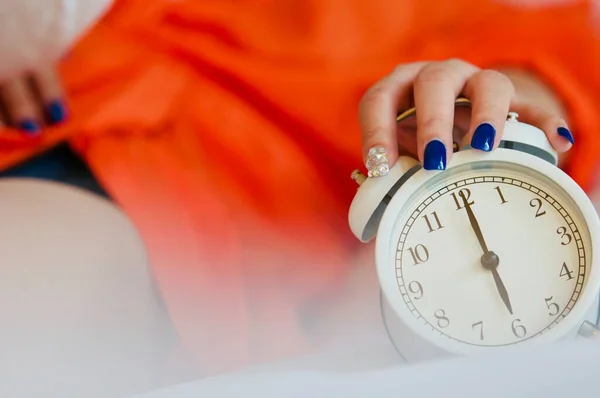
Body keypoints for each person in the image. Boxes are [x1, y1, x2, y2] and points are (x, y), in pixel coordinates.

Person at [0, 0, 599, 396]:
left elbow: (523, 96)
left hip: (298, 226)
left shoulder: (518, 27)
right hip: (87, 127)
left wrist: (485, 115)